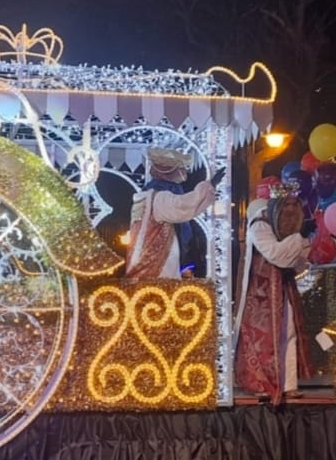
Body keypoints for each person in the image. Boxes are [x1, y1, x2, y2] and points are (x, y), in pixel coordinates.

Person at [234, 194, 313, 403]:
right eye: (287, 205)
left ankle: (288, 385)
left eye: (294, 205)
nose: (291, 209)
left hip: (282, 285)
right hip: (263, 290)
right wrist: (299, 240)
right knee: (265, 339)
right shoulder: (260, 226)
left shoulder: (283, 228)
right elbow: (275, 254)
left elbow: (295, 261)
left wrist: (303, 247)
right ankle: (262, 383)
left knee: (289, 331)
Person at [125, 148, 216, 279]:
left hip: (144, 258)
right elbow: (182, 205)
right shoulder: (158, 197)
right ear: (169, 170)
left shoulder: (149, 195)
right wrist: (207, 188)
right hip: (155, 262)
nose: (185, 172)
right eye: (181, 168)